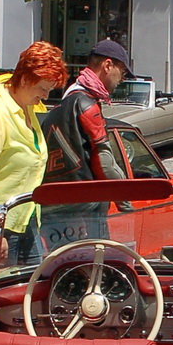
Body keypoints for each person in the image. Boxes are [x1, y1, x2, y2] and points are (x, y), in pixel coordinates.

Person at [0, 42, 68, 265]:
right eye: (43, 88)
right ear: (26, 79)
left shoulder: (27, 110)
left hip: (22, 219)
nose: (46, 96)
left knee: (30, 292)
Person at [40, 39, 132, 240]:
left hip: (53, 207)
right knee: (92, 264)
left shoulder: (65, 101)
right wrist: (126, 199)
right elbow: (104, 162)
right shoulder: (86, 104)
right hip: (85, 208)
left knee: (60, 266)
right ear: (108, 66)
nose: (121, 79)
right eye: (122, 72)